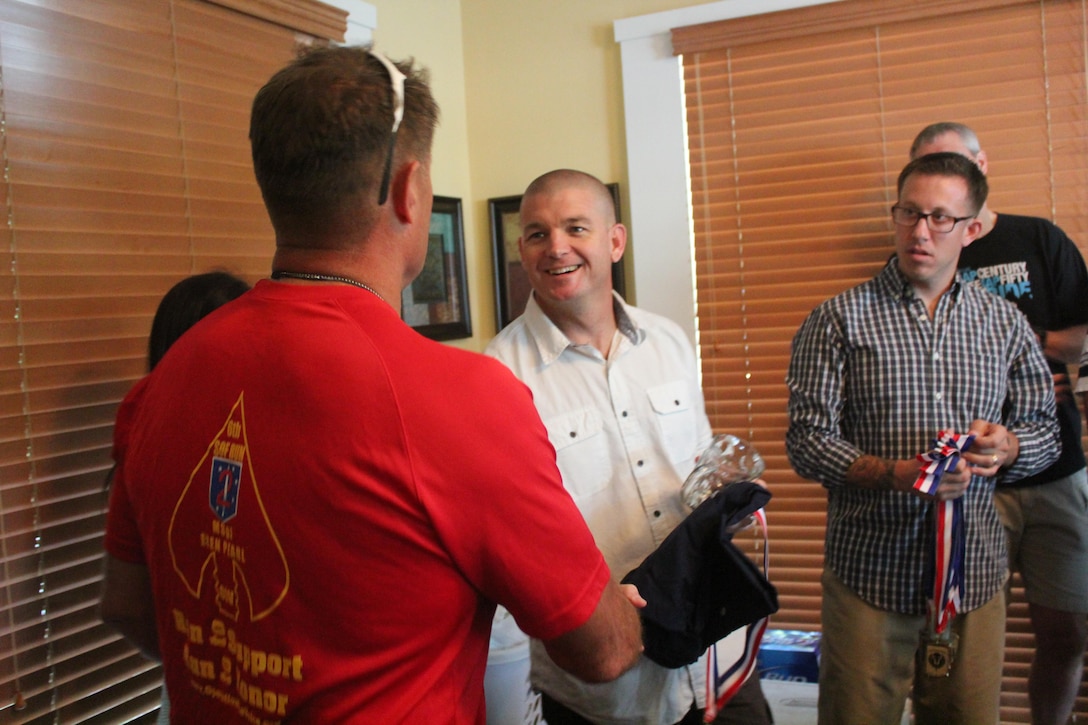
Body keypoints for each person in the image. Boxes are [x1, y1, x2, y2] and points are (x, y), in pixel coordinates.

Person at [98, 46, 643, 724]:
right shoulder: (464, 398)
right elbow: (603, 650)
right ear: (409, 191)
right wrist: (624, 611)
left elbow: (127, 606)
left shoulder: (163, 382)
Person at [485, 169, 773, 725]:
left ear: (615, 241)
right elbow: (509, 541)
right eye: (539, 234)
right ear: (522, 251)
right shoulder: (496, 376)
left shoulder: (669, 341)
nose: (557, 247)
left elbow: (697, 468)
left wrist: (725, 502)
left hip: (718, 657)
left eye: (576, 228)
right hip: (610, 685)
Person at [786, 152, 1060, 724]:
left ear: (972, 229)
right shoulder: (836, 320)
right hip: (869, 574)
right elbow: (807, 440)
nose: (920, 231)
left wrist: (1008, 447)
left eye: (940, 217)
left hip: (974, 577)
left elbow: (1045, 431)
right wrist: (896, 474)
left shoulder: (1005, 324)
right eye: (909, 212)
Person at [910, 122, 1088, 725]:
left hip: (1054, 468)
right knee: (958, 638)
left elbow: (1082, 337)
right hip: (965, 483)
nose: (942, 186)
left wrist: (1027, 344)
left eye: (954, 165)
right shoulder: (918, 252)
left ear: (981, 165)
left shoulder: (1038, 238)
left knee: (1067, 629)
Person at [108, 270, 251, 725]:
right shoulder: (146, 420)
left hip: (193, 683)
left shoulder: (145, 422)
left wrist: (194, 661)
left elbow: (124, 606)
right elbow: (124, 604)